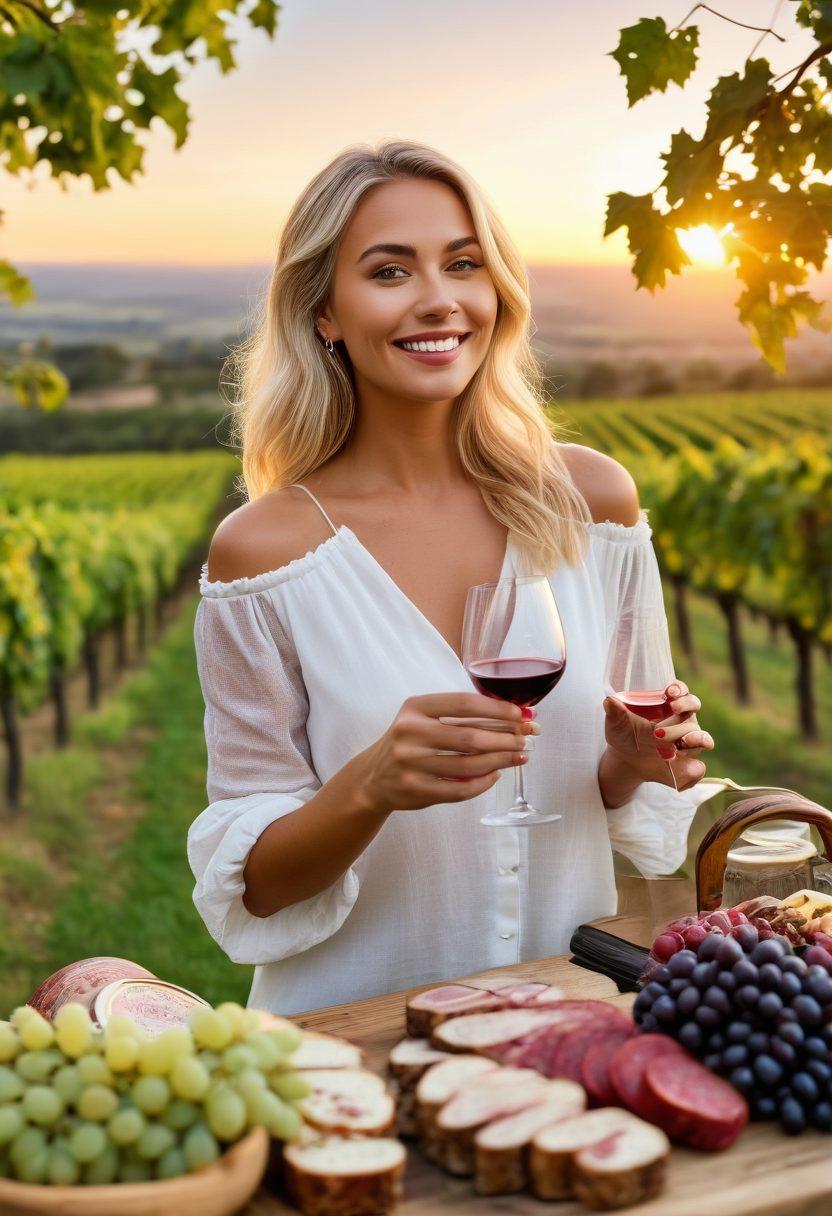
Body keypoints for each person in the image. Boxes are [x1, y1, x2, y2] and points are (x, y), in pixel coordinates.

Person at [187, 139, 715, 1017]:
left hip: (569, 1026)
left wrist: (631, 762)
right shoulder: (264, 555)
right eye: (390, 272)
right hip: (349, 1043)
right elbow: (259, 888)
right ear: (325, 311)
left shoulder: (593, 505)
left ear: (496, 290)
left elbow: (616, 795)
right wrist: (371, 785)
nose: (439, 299)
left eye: (463, 264)